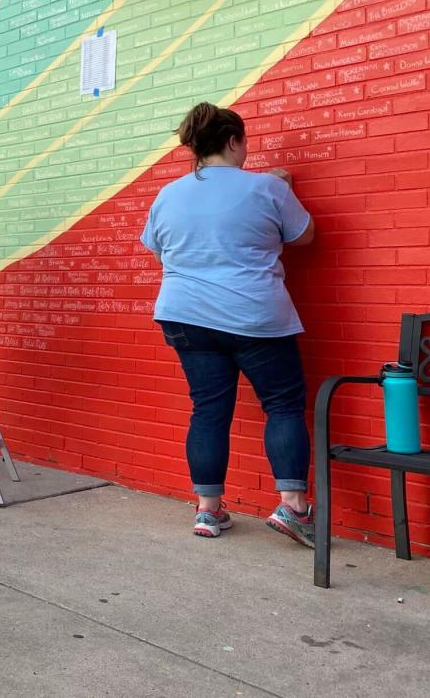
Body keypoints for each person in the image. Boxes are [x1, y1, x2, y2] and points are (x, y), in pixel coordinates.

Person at [140, 102, 317, 546]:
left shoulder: (169, 195)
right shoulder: (266, 188)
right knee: (282, 404)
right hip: (253, 314)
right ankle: (293, 506)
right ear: (234, 140)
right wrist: (284, 188)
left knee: (208, 409)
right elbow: (305, 236)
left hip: (184, 315)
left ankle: (207, 511)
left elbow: (160, 252)